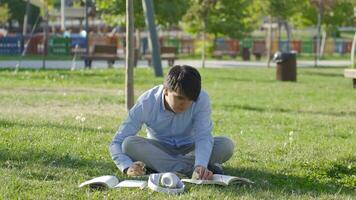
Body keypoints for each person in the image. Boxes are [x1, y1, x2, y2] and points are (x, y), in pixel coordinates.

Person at [109, 65, 234, 180]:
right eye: (179, 98)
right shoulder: (147, 102)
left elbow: (203, 135)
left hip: (190, 148)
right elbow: (117, 141)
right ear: (166, 90)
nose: (185, 104)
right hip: (159, 148)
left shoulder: (201, 98)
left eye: (190, 100)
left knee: (225, 145)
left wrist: (200, 164)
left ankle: (169, 168)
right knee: (129, 143)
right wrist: (126, 166)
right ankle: (192, 170)